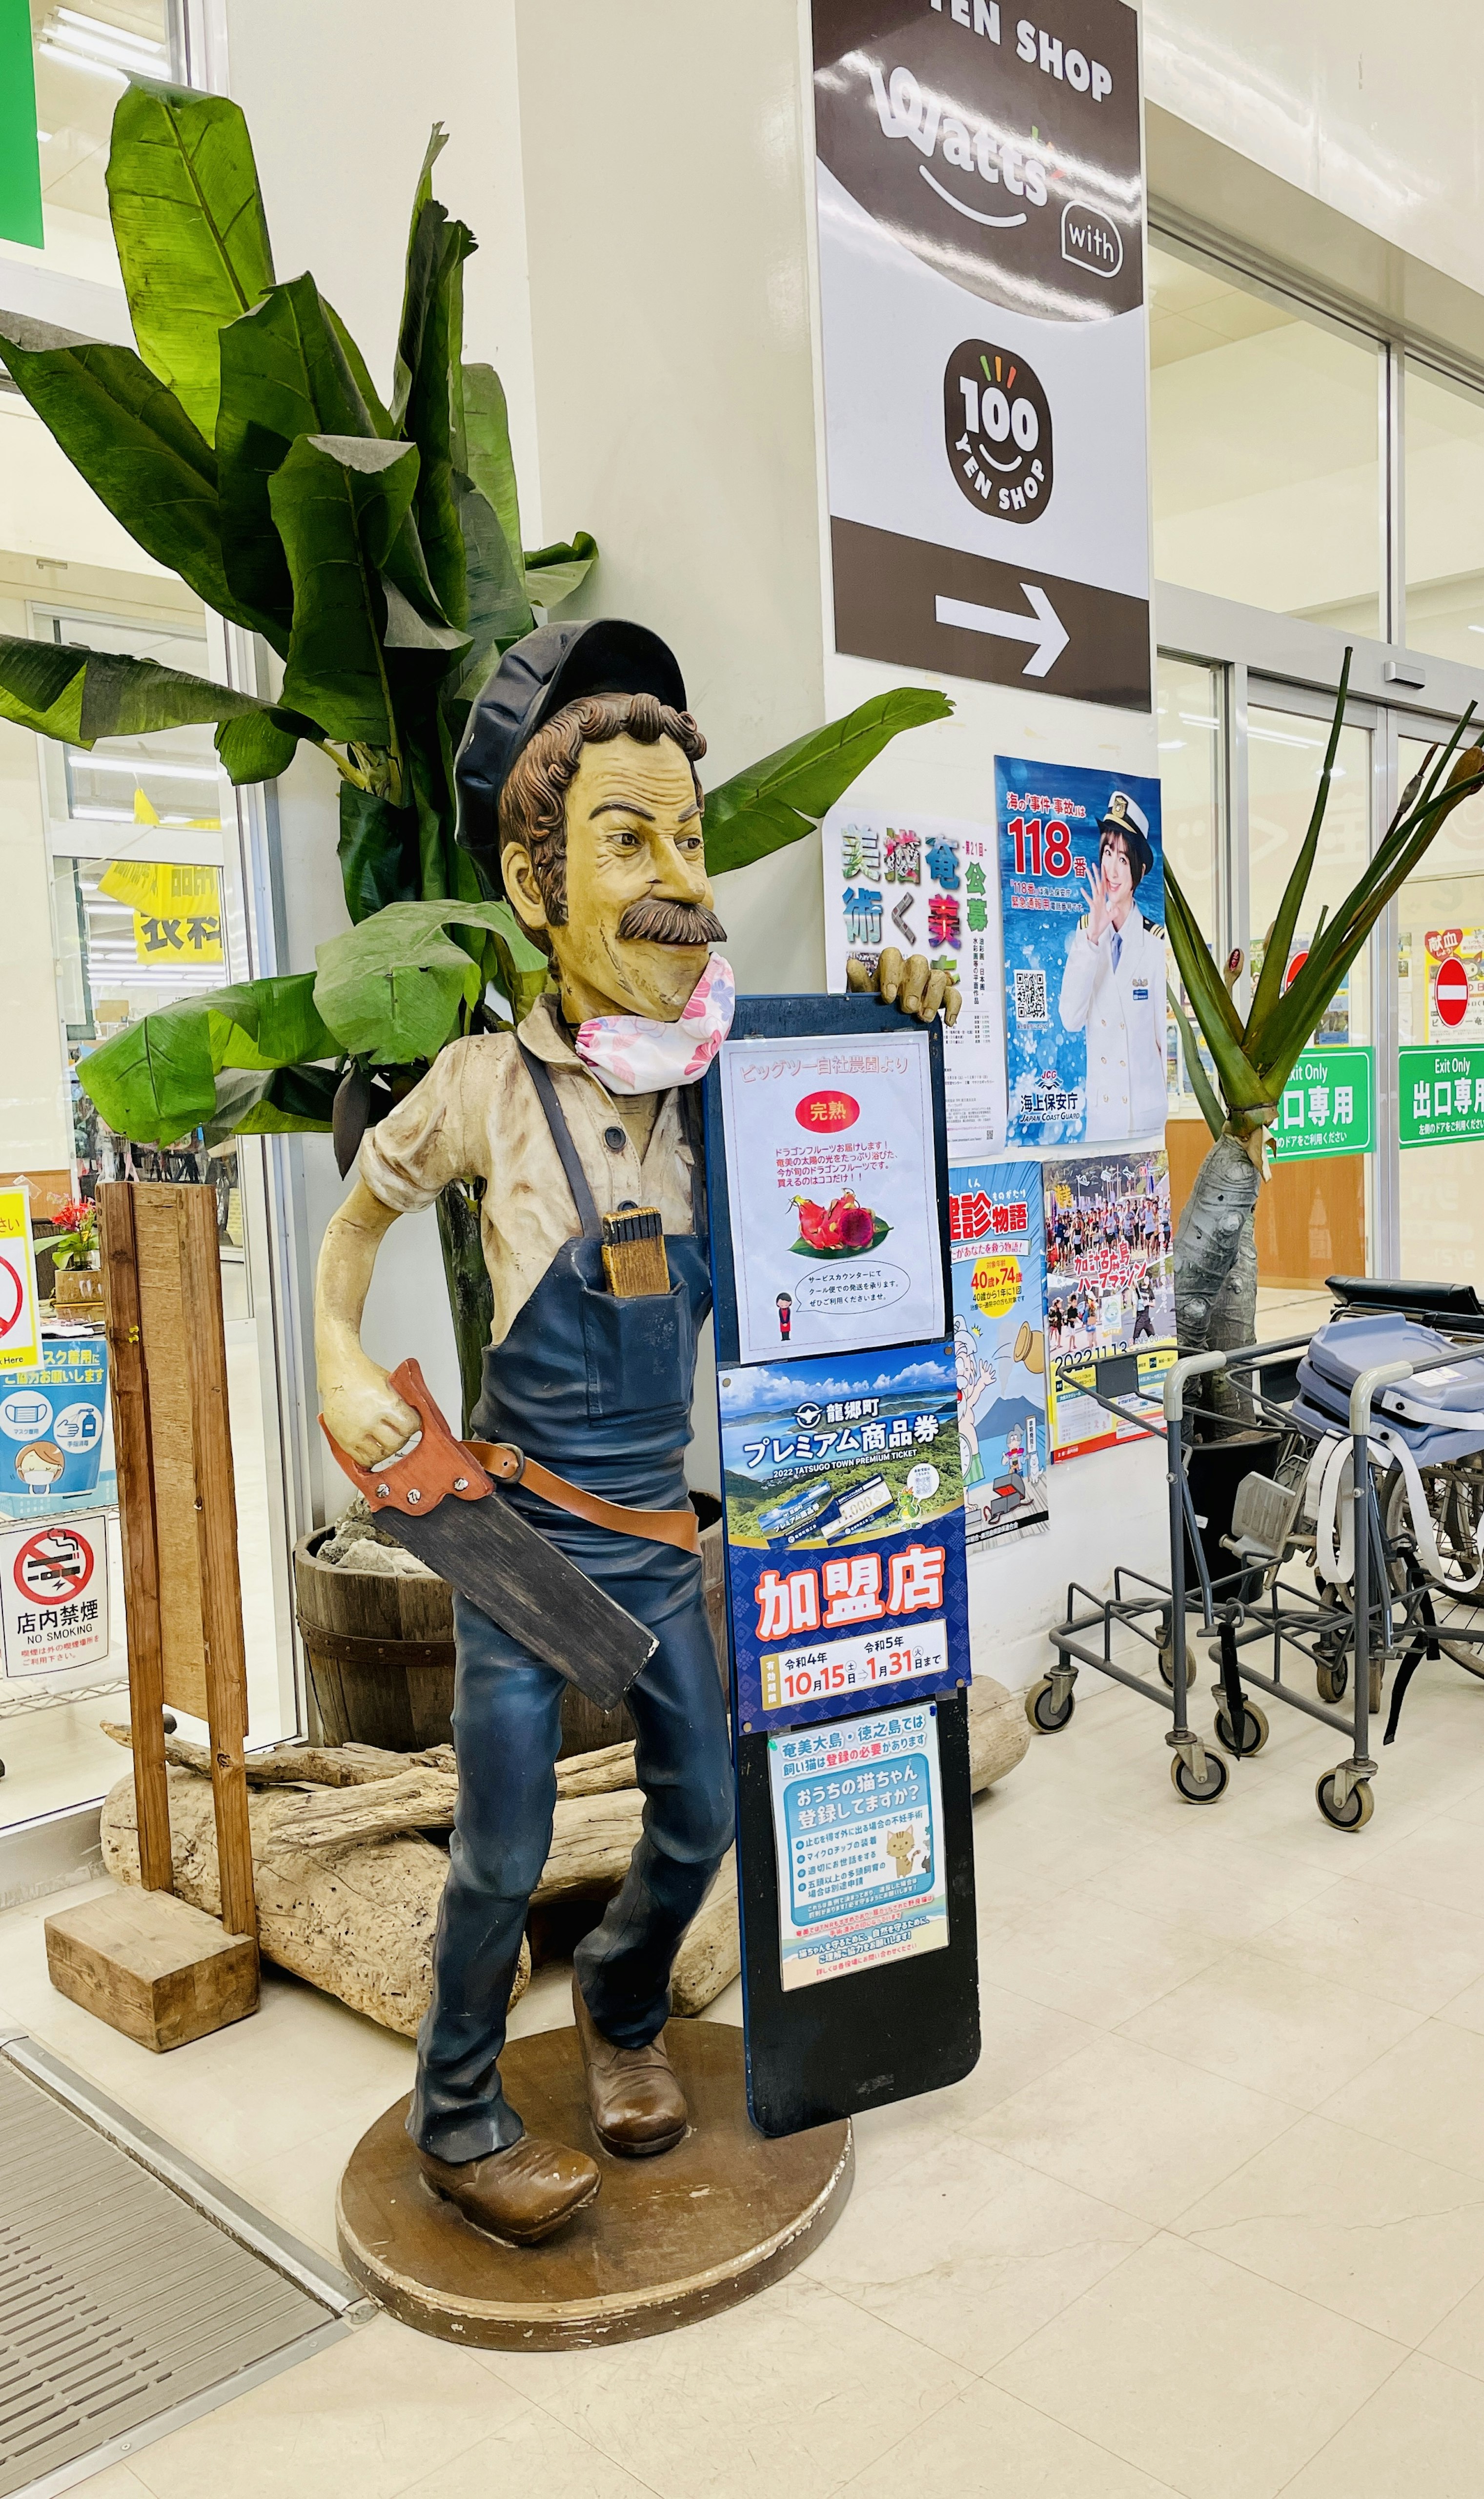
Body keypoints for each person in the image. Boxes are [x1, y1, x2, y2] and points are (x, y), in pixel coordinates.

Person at [313, 620, 957, 2250]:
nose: (680, 880)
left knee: (701, 1814)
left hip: (671, 1539)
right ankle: (459, 2119)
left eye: (688, 839)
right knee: (503, 1845)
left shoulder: (731, 1090)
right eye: (626, 843)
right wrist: (333, 1349)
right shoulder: (477, 1089)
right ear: (537, 894)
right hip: (519, 1547)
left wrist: (892, 1019)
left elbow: (854, 1175)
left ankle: (619, 2007)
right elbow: (359, 1221)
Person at [1058, 793, 1168, 1143]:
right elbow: (1070, 1019)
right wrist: (1093, 937)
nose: (1113, 869)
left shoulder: (1155, 942)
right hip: (1104, 1120)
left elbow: (1163, 1040)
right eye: (1108, 853)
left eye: (1123, 858)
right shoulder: (1085, 935)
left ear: (1140, 869)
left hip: (1144, 1117)